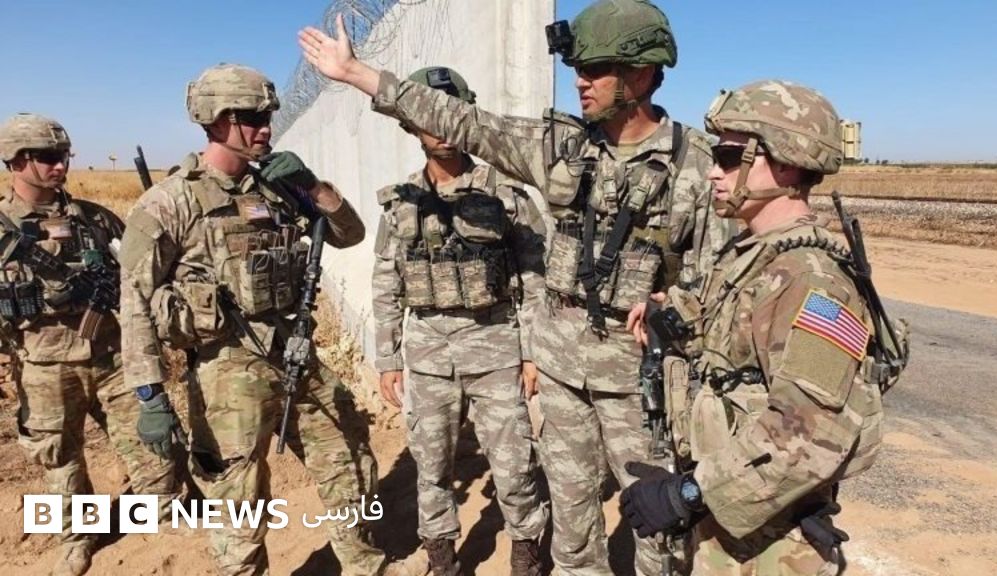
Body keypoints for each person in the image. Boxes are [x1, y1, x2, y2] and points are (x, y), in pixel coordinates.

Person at [299, 1, 733, 573]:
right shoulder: (562, 148)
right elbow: (467, 123)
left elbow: (724, 279)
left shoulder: (697, 166)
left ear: (642, 74)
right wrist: (359, 74)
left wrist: (675, 304)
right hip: (562, 368)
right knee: (572, 522)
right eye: (576, 68)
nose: (579, 81)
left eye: (594, 69)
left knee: (656, 524)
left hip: (638, 378)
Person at [118, 63, 400, 576]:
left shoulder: (274, 187)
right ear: (214, 120)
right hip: (224, 370)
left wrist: (313, 188)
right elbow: (135, 300)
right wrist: (148, 392)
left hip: (293, 353)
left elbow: (350, 234)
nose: (265, 128)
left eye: (267, 116)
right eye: (250, 118)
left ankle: (366, 566)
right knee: (238, 502)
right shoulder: (169, 202)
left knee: (349, 462)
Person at [619, 80, 907, 574]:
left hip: (771, 542)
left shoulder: (813, 280)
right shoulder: (753, 255)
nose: (714, 172)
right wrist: (671, 312)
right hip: (731, 516)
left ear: (787, 162)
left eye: (730, 157)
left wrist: (686, 494)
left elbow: (812, 432)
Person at [372, 66, 549, 575]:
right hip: (428, 352)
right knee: (431, 467)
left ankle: (526, 553)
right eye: (428, 116)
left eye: (451, 113)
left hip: (495, 347)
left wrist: (532, 351)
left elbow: (535, 275)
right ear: (410, 124)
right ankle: (442, 558)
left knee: (514, 464)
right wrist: (388, 359)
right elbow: (386, 281)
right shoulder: (400, 201)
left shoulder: (505, 193)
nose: (441, 128)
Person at [0, 113, 180, 576]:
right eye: (47, 157)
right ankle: (78, 536)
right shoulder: (3, 230)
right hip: (43, 365)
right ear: (16, 161)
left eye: (63, 156)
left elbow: (141, 270)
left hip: (112, 355)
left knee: (154, 446)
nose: (60, 165)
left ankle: (166, 518)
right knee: (59, 458)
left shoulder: (95, 219)